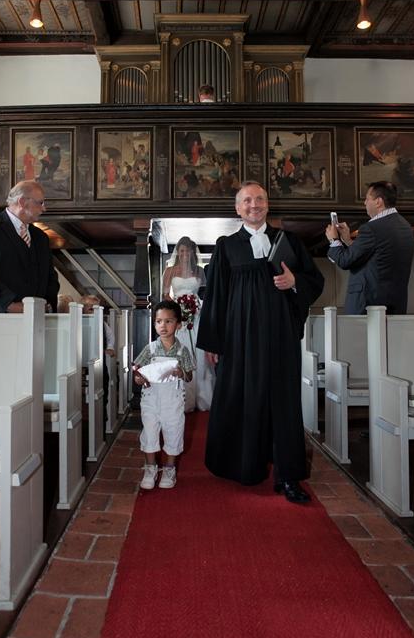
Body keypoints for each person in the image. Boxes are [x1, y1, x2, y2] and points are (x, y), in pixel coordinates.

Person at [197, 181, 324, 502]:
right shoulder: (226, 246)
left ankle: (289, 476)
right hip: (239, 340)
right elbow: (216, 297)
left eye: (260, 199)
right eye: (247, 201)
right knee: (243, 397)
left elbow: (314, 280)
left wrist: (295, 282)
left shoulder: (289, 241)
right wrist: (213, 341)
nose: (254, 205)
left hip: (280, 335)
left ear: (268, 204)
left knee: (284, 403)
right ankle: (245, 467)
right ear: (238, 208)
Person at [325, 181, 414, 314]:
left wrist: (334, 240)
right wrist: (348, 240)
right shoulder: (405, 226)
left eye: (367, 199)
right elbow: (375, 257)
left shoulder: (372, 228)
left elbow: (345, 261)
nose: (365, 203)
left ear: (378, 202)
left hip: (368, 306)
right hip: (395, 305)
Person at [133, 300, 194, 490]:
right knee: (150, 432)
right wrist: (139, 378)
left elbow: (190, 375)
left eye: (168, 321)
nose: (163, 326)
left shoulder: (183, 351)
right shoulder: (150, 349)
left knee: (173, 431)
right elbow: (137, 369)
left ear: (178, 324)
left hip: (172, 400)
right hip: (151, 398)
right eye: (159, 321)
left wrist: (181, 373)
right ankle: (150, 468)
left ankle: (169, 468)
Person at [0, 180, 59, 313]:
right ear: (22, 202)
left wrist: (47, 305)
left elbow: (50, 277)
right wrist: (6, 305)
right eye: (40, 203)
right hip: (0, 318)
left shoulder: (41, 237)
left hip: (37, 318)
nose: (44, 209)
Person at [162, 236, 215, 413]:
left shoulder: (199, 271)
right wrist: (178, 309)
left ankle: (202, 398)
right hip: (178, 317)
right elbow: (165, 296)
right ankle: (182, 398)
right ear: (178, 252)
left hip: (197, 315)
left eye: (188, 251)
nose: (185, 254)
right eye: (182, 251)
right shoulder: (170, 271)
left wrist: (194, 306)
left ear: (192, 252)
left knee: (199, 353)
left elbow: (204, 294)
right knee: (180, 351)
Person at [81, 294, 115, 434]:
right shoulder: (79, 322)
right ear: (82, 310)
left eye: (96, 309)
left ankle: (102, 414)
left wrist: (110, 348)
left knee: (103, 384)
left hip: (99, 362)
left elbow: (110, 337)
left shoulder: (102, 324)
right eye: (90, 309)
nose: (94, 313)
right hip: (82, 362)